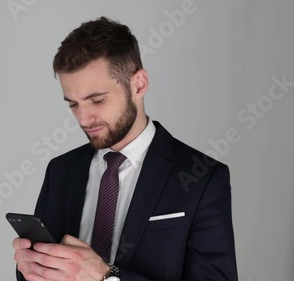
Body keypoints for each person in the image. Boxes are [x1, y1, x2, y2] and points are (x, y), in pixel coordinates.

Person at [12, 16, 238, 281]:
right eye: (73, 104)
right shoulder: (61, 171)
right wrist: (31, 267)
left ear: (138, 84)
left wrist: (107, 276)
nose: (83, 119)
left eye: (97, 100)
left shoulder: (203, 177)